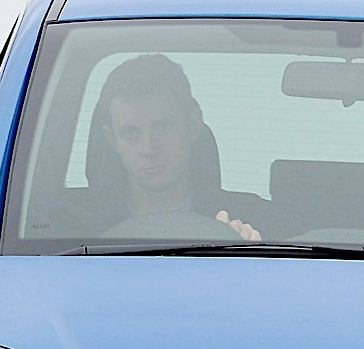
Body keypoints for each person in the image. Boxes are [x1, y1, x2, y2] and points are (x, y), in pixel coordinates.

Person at [89, 53, 267, 240]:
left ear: (193, 125)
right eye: (132, 134)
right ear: (112, 140)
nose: (149, 149)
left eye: (162, 128)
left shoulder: (251, 222)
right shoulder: (74, 229)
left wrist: (255, 255)